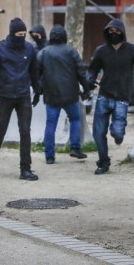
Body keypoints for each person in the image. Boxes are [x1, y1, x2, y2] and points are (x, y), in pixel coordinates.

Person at [0, 18, 41, 180]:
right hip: (4, 95)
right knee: (1, 129)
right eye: (19, 34)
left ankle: (25, 169)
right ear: (12, 33)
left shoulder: (29, 49)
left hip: (23, 95)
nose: (22, 37)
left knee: (25, 132)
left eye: (24, 34)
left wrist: (38, 90)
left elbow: (34, 72)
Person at [87, 18, 134, 175]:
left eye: (117, 32)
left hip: (122, 97)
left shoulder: (131, 50)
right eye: (111, 32)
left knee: (118, 132)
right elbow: (92, 69)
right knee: (98, 132)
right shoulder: (101, 51)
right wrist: (90, 80)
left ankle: (118, 135)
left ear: (123, 33)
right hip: (103, 96)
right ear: (106, 33)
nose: (114, 34)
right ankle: (103, 162)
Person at [38, 24, 90, 164]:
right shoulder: (71, 51)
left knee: (50, 124)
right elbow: (81, 72)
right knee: (75, 119)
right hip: (70, 94)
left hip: (51, 94)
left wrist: (39, 90)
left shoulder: (43, 52)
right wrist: (86, 89)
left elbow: (35, 73)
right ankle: (75, 148)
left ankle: (49, 155)